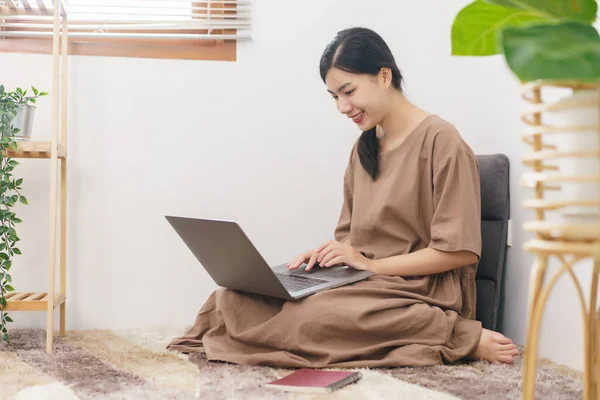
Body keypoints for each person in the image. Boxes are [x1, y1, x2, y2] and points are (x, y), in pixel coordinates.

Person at [167, 27, 519, 367]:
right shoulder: (364, 147)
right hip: (365, 279)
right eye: (335, 96)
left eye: (348, 91)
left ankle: (458, 335)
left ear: (384, 76)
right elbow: (353, 235)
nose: (342, 106)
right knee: (231, 298)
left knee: (316, 318)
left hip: (418, 289)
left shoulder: (442, 140)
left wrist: (373, 265)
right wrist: (326, 255)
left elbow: (458, 250)